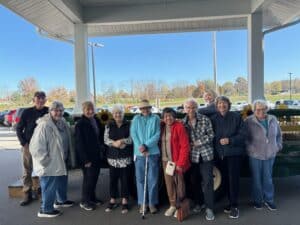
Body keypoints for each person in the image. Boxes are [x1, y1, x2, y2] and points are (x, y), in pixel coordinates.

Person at [29, 101, 74, 218]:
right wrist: (46, 162)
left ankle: (61, 201)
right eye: (56, 110)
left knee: (61, 181)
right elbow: (35, 147)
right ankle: (46, 209)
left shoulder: (62, 122)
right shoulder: (44, 125)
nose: (58, 113)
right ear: (50, 111)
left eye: (61, 110)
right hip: (49, 163)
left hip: (61, 160)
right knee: (49, 185)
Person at [210, 96, 247, 219]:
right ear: (216, 106)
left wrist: (230, 140)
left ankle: (234, 206)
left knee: (233, 180)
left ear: (229, 105)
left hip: (234, 154)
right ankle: (229, 203)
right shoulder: (214, 118)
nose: (222, 106)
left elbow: (243, 134)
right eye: (219, 104)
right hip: (220, 155)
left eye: (224, 103)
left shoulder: (236, 117)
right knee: (224, 180)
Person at [245, 99, 282, 211]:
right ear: (254, 110)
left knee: (268, 178)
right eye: (258, 109)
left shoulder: (273, 119)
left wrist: (278, 146)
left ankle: (269, 200)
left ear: (267, 109)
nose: (261, 111)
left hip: (270, 153)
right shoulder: (248, 121)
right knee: (256, 179)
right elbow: (245, 138)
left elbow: (279, 135)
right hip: (255, 154)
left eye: (263, 109)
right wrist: (250, 149)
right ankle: (257, 200)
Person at [182, 98, 215, 221]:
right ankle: (199, 203)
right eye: (188, 107)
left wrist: (198, 142)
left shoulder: (205, 119)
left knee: (207, 182)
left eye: (193, 107)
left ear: (196, 108)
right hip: (192, 156)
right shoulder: (182, 122)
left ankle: (209, 208)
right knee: (194, 181)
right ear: (184, 109)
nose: (191, 110)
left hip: (206, 155)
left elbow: (211, 135)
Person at [16, 91, 49, 206]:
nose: (40, 100)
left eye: (42, 98)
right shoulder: (27, 112)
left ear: (45, 100)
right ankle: (27, 193)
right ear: (34, 100)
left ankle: (41, 192)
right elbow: (19, 128)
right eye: (38, 98)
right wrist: (23, 143)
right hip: (28, 145)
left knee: (43, 169)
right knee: (27, 170)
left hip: (43, 146)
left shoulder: (48, 111)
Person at [130, 99, 161, 214]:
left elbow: (157, 134)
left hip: (152, 153)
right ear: (140, 109)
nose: (145, 110)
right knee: (140, 180)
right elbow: (133, 134)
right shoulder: (136, 119)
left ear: (150, 108)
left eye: (147, 108)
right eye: (143, 108)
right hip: (139, 154)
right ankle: (143, 203)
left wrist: (146, 145)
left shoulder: (156, 118)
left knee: (153, 179)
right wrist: (141, 147)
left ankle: (152, 203)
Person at [160, 107, 190, 217]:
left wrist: (181, 163)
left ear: (174, 116)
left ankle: (180, 206)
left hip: (176, 161)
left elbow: (185, 146)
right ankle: (172, 205)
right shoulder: (162, 127)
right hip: (165, 161)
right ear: (163, 118)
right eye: (166, 116)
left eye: (170, 115)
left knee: (179, 184)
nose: (168, 118)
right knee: (169, 184)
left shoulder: (179, 127)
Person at [75, 101, 104, 211]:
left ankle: (92, 198)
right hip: (87, 158)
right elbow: (79, 143)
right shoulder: (80, 124)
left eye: (92, 109)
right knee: (88, 179)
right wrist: (85, 159)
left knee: (94, 178)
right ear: (83, 110)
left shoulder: (95, 120)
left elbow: (99, 135)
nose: (90, 111)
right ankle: (84, 201)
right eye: (88, 109)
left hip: (96, 155)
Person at [104, 104, 133, 214]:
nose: (118, 115)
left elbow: (132, 138)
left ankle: (125, 200)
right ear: (113, 114)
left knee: (125, 179)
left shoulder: (129, 124)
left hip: (125, 157)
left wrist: (123, 141)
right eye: (115, 113)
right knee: (113, 179)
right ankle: (113, 199)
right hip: (113, 157)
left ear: (123, 113)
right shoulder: (108, 125)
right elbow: (106, 139)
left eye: (120, 112)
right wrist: (114, 143)